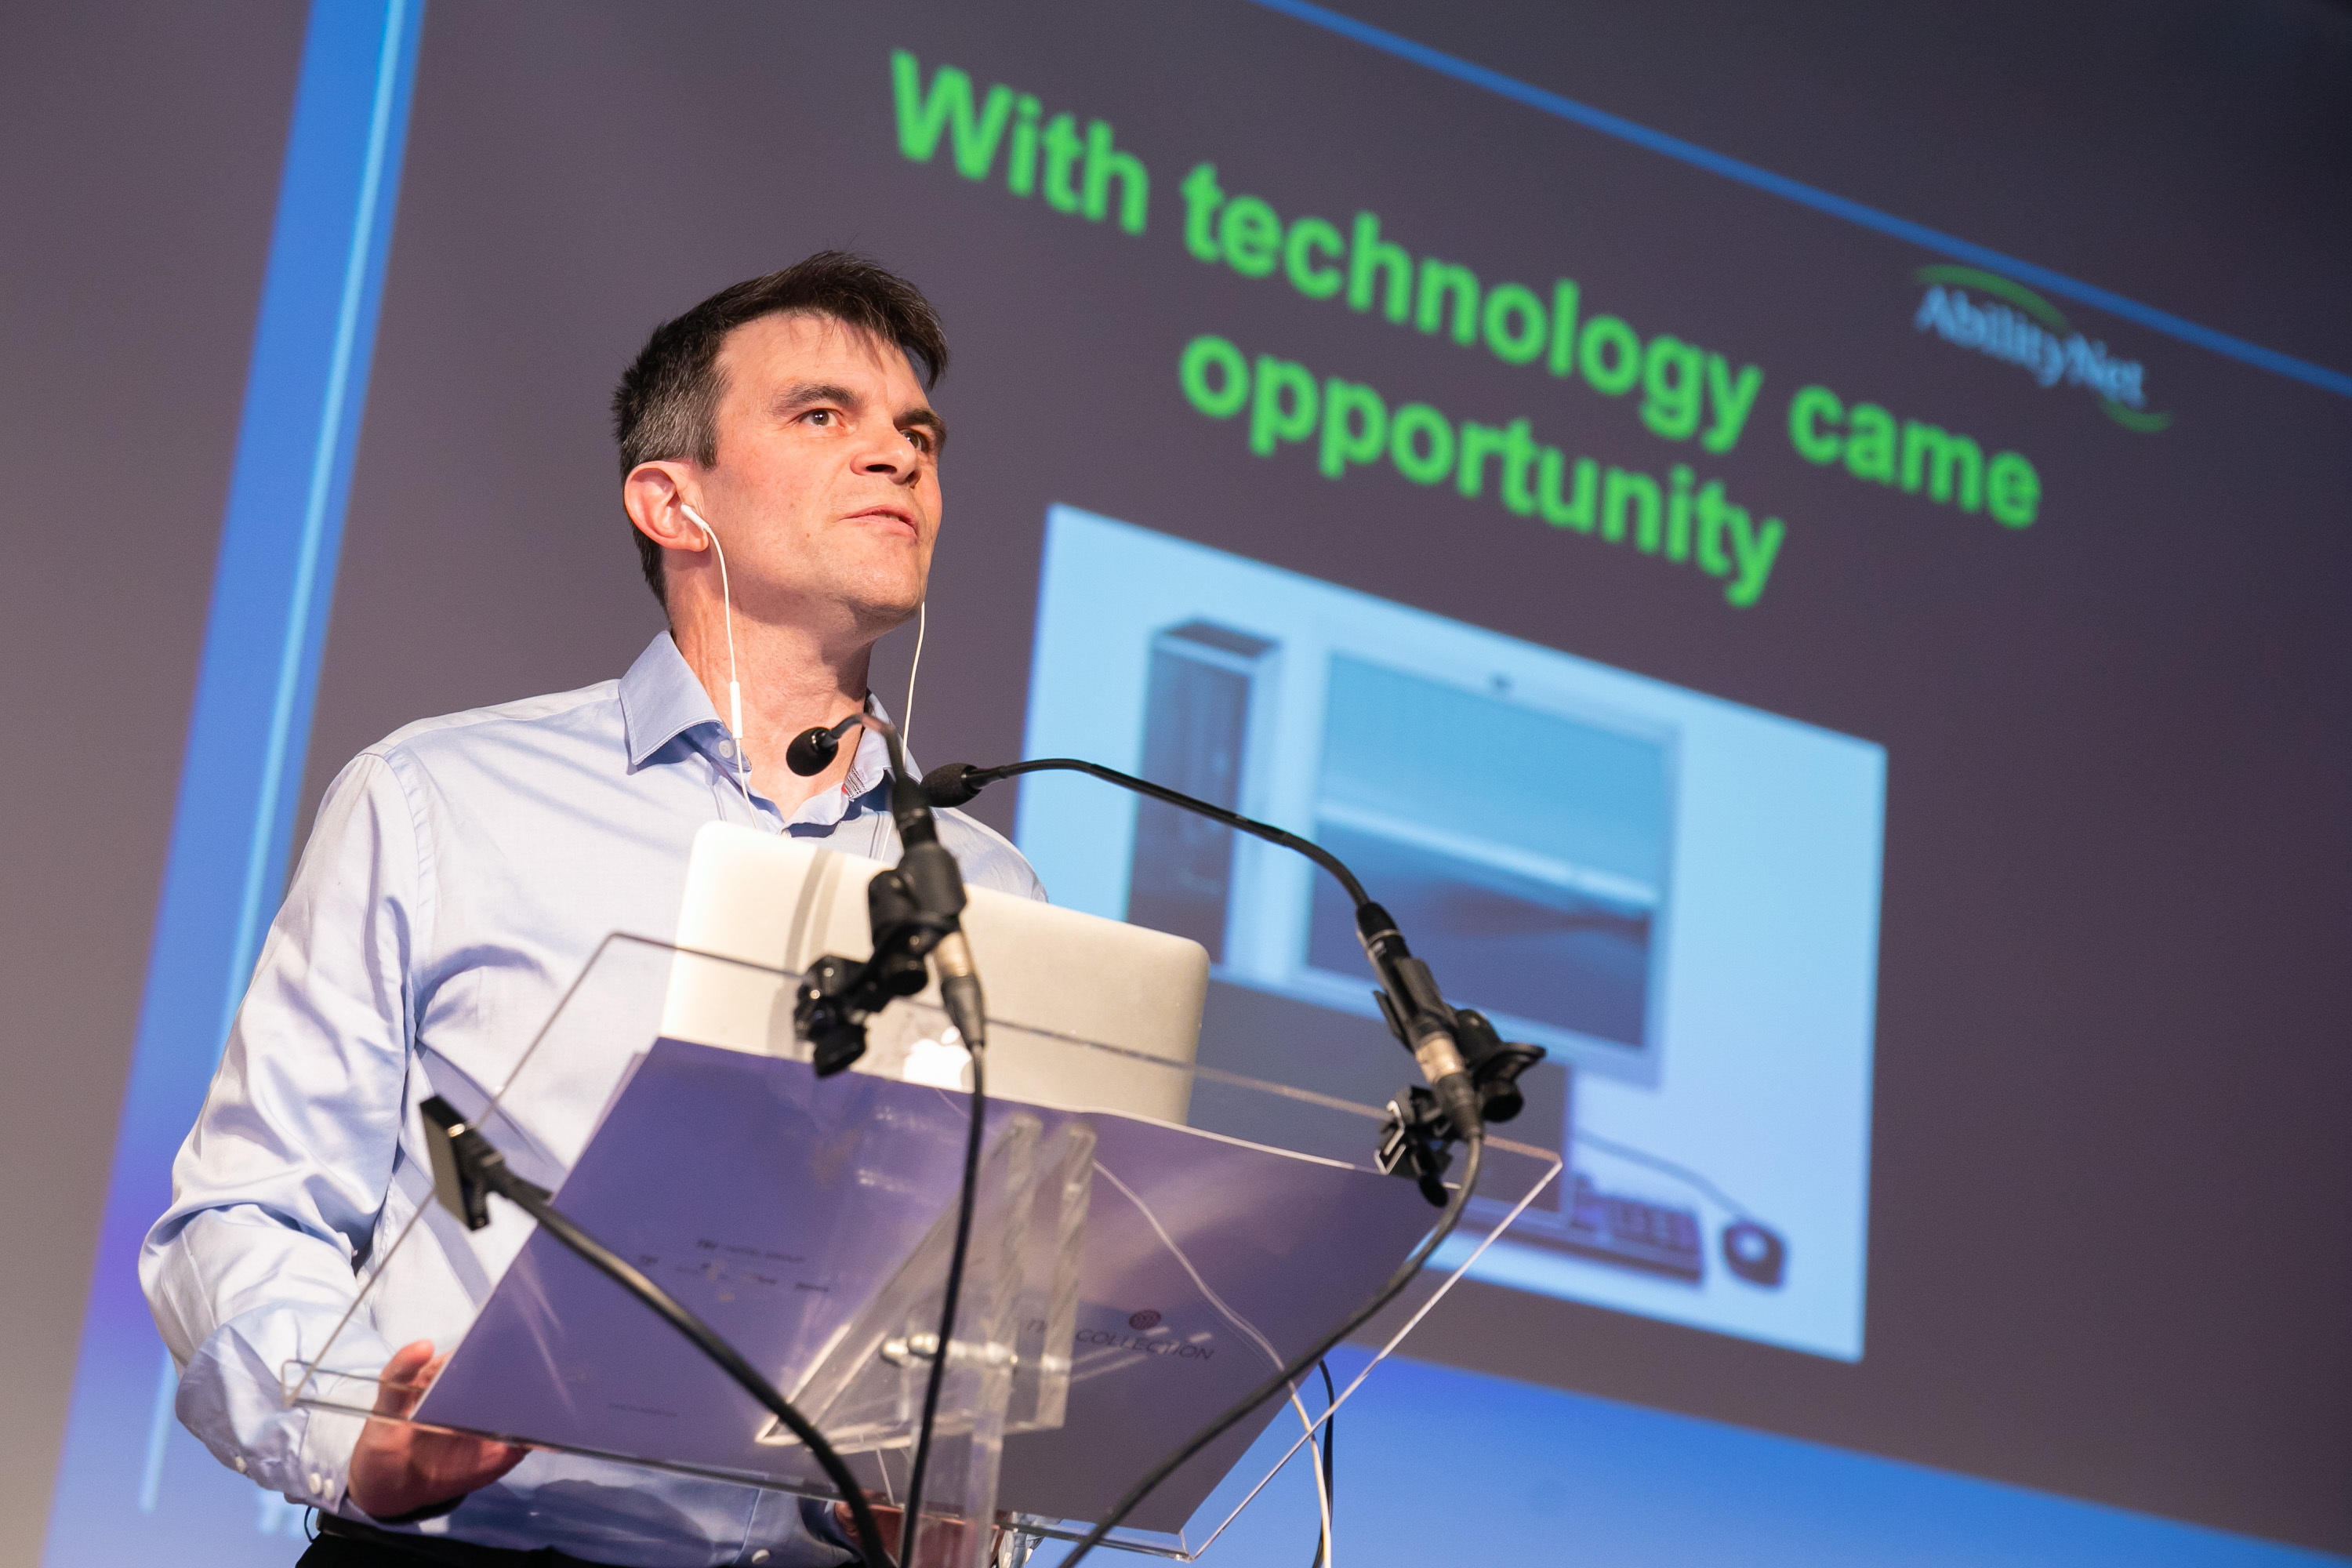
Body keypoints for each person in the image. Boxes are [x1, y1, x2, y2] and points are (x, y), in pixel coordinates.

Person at [141, 253, 1043, 1566]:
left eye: (917, 433)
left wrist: (957, 1513)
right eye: (821, 416)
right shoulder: (440, 800)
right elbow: (247, 1211)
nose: (898, 458)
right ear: (674, 503)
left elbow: (990, 1326)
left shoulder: (990, 890)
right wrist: (360, 1444)